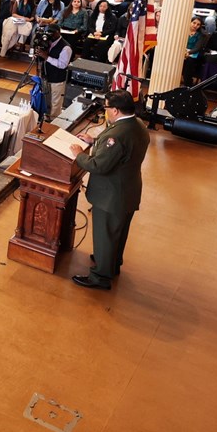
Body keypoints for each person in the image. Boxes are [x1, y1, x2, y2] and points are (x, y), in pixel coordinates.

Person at [68, 91, 150, 290]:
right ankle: (112, 265)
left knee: (105, 235)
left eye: (106, 108)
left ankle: (100, 277)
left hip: (111, 195)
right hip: (128, 190)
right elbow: (119, 151)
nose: (105, 112)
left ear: (115, 110)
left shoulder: (116, 134)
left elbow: (98, 166)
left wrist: (79, 155)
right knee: (118, 233)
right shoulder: (138, 125)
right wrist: (94, 141)